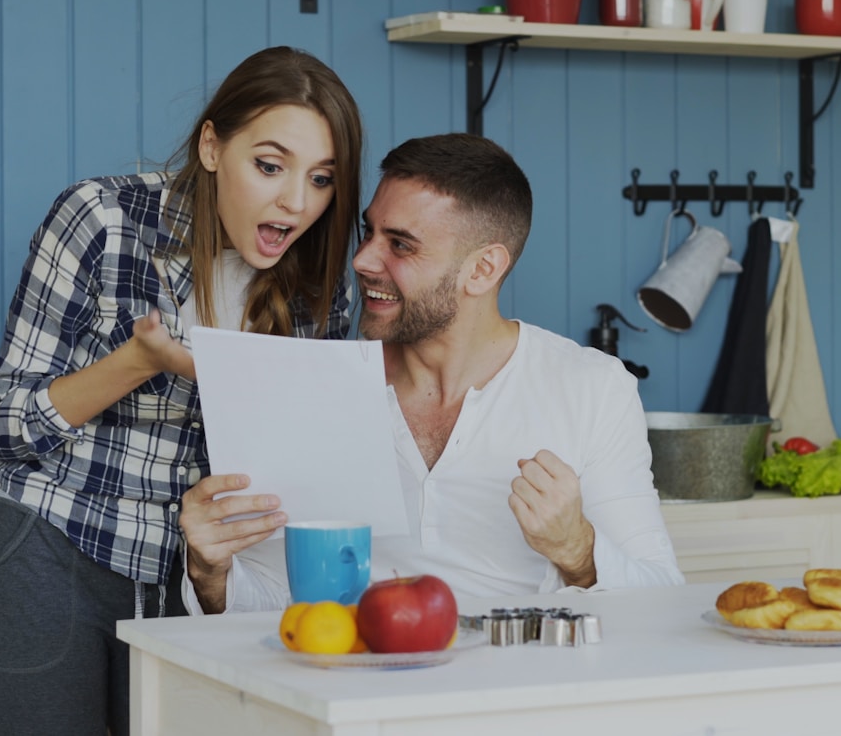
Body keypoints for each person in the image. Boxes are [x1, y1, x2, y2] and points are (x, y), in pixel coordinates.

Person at [0, 46, 364, 735]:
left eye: (322, 178)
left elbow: (302, 457)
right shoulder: (102, 219)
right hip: (55, 544)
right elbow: (8, 428)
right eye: (269, 166)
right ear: (211, 146)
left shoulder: (318, 277)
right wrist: (138, 361)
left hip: (199, 577)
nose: (296, 202)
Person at [179, 133, 683, 615]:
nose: (363, 259)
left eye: (400, 245)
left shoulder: (592, 387)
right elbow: (275, 600)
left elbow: (662, 597)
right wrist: (210, 572)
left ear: (483, 269)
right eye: (369, 232)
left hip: (523, 688)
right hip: (357, 690)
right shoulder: (316, 388)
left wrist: (578, 550)